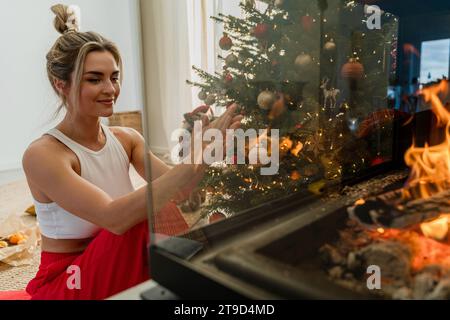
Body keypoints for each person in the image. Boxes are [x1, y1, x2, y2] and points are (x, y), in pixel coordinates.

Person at [22, 4, 242, 300]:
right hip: (68, 278)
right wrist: (193, 160)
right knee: (138, 216)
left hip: (115, 260)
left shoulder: (127, 139)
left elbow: (182, 192)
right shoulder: (44, 154)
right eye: (94, 78)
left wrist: (207, 150)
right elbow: (114, 218)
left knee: (160, 205)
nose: (110, 88)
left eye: (114, 77)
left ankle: (201, 277)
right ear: (61, 84)